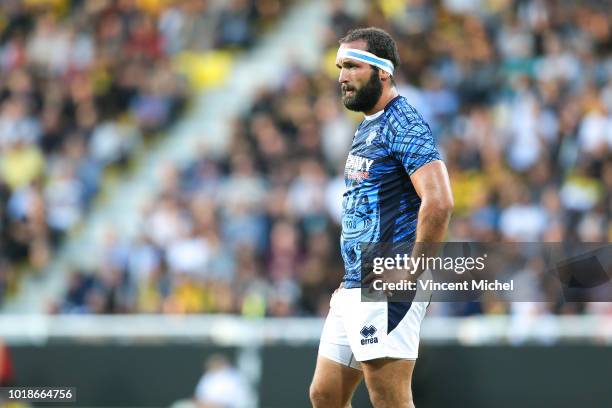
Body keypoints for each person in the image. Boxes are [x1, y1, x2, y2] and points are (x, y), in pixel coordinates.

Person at [309, 27, 453, 408]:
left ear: (382, 72)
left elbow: (439, 201)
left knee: (388, 396)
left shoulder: (404, 124)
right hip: (359, 280)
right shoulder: (367, 126)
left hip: (388, 280)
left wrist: (413, 271)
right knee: (325, 393)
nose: (341, 76)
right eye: (340, 67)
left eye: (352, 66)